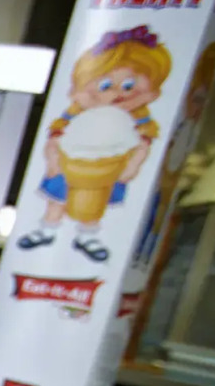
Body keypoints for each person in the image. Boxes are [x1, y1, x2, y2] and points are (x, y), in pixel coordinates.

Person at [20, 26, 172, 264]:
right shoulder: (77, 110)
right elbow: (57, 132)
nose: (117, 93)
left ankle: (87, 237)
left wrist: (132, 166)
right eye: (105, 85)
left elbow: (144, 143)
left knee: (96, 204)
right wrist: (52, 158)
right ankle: (47, 230)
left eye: (129, 86)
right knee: (57, 199)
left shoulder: (139, 117)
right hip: (69, 162)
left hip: (110, 168)